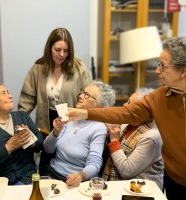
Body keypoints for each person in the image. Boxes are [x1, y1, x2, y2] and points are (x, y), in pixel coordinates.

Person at [68, 37, 186, 200]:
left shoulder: (150, 137)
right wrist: (85, 113)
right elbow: (125, 113)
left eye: (163, 66)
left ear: (183, 71)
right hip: (175, 180)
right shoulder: (159, 97)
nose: (157, 71)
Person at [43, 80, 115, 187]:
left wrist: (81, 175)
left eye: (87, 95)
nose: (81, 96)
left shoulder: (99, 128)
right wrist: (56, 132)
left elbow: (95, 163)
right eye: (82, 92)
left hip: (77, 180)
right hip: (52, 173)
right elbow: (47, 149)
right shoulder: (70, 118)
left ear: (99, 106)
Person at [18, 27, 91, 132]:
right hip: (45, 125)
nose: (62, 54)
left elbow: (88, 100)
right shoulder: (38, 67)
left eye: (66, 51)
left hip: (72, 126)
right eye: (57, 50)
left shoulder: (79, 68)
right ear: (49, 48)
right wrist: (20, 121)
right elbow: (27, 99)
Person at [102, 88, 164, 190]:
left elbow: (127, 171)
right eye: (127, 101)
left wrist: (114, 141)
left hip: (140, 192)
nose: (125, 105)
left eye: (130, 104)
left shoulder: (152, 137)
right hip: (118, 186)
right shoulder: (129, 123)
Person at [0, 83, 43, 185]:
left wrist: (30, 140)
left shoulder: (22, 116)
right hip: (2, 183)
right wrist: (9, 146)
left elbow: (40, 145)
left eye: (8, 92)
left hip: (28, 177)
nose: (10, 96)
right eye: (4, 93)